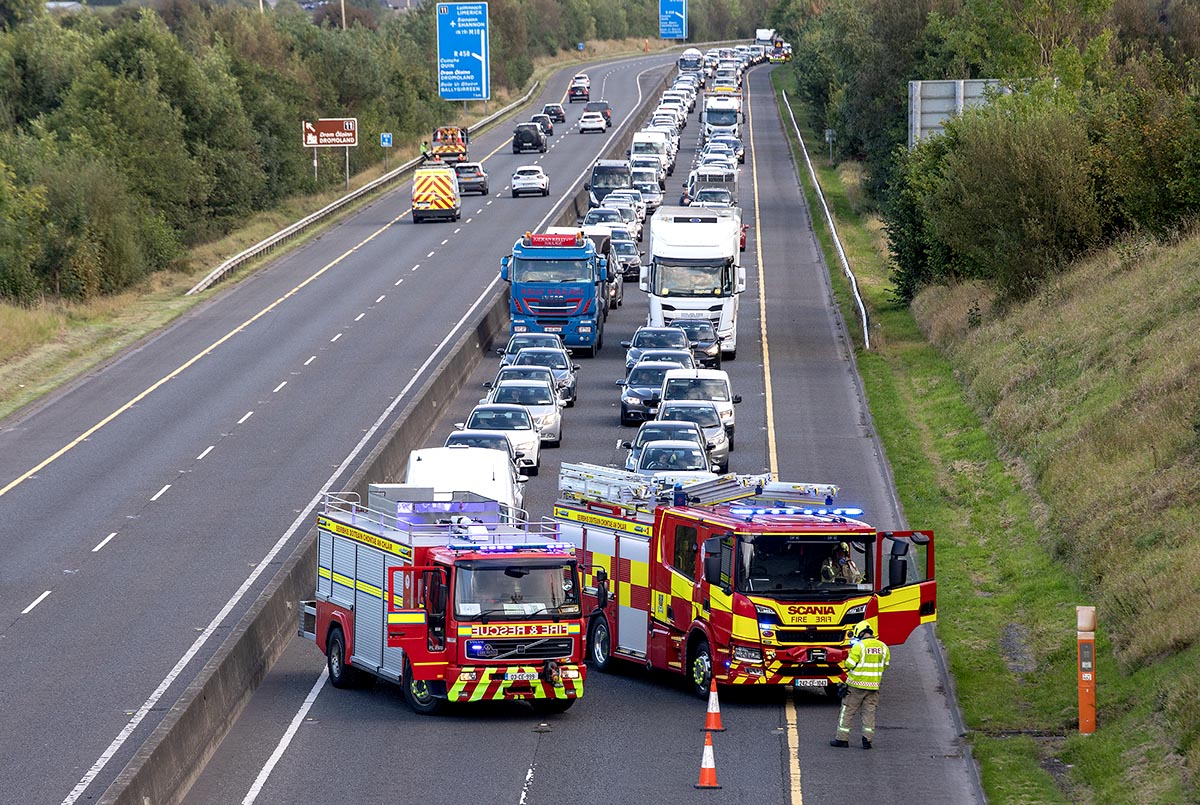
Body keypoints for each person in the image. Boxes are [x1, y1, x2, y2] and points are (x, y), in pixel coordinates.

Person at [831, 621, 890, 749]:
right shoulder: (883, 647)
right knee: (869, 713)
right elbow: (885, 665)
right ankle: (867, 741)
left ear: (860, 632)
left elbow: (849, 664)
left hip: (856, 686)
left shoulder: (859, 646)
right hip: (873, 687)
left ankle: (842, 739)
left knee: (847, 711)